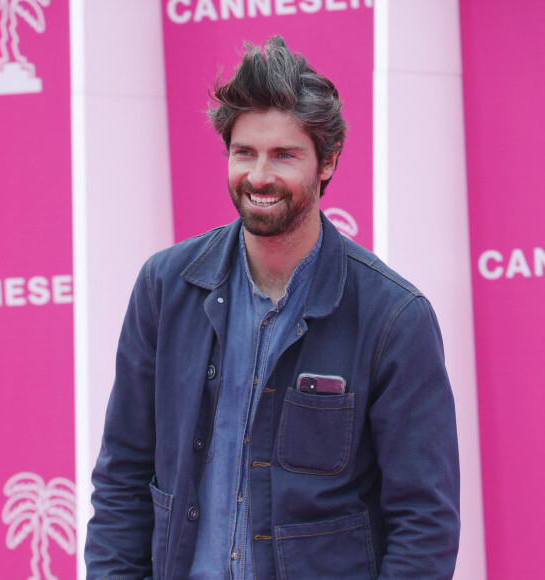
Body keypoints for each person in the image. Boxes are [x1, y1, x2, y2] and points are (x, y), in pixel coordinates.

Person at [85, 36, 460, 579]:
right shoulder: (165, 288)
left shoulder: (392, 317)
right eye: (245, 152)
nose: (259, 176)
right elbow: (123, 476)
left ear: (327, 163)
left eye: (284, 155)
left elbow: (424, 522)